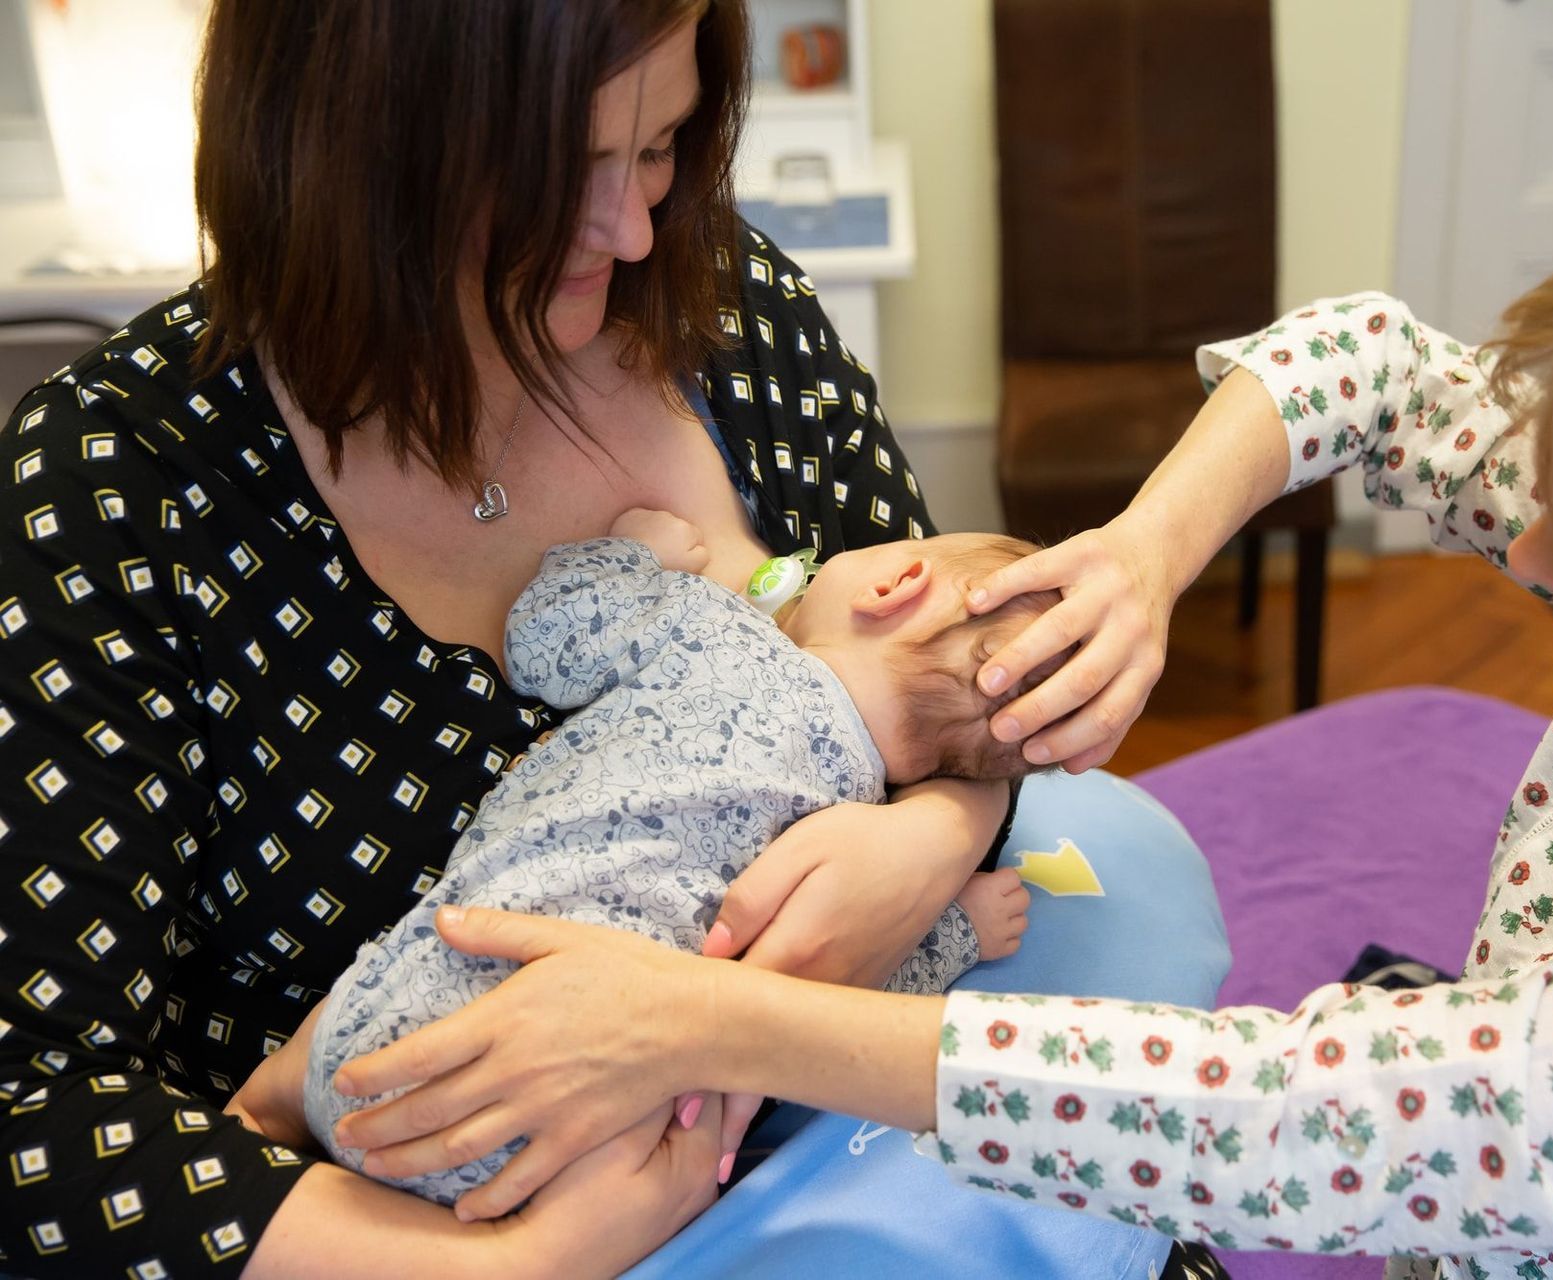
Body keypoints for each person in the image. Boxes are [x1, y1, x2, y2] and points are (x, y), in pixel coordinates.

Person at [327, 151, 1553, 1280]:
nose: (1525, 552)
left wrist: (704, 1013)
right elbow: (1363, 361)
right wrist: (1145, 560)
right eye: (1548, 485)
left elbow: (1281, 1120)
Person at [0, 2, 1229, 1275]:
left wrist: (923, 843)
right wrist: (521, 1266)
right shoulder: (115, 490)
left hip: (873, 1168)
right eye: (568, 171)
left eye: (662, 147)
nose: (634, 226)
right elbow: (37, 1122)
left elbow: (956, 674)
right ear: (359, 146)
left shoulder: (736, 314)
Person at [238, 526, 1048, 1205]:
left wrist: (630, 551)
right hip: (566, 1142)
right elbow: (828, 1004)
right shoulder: (854, 833)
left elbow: (543, 641)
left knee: (438, 932)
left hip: (401, 1007)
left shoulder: (716, 628)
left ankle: (267, 1100)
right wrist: (959, 932)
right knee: (698, 1137)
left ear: (897, 580)